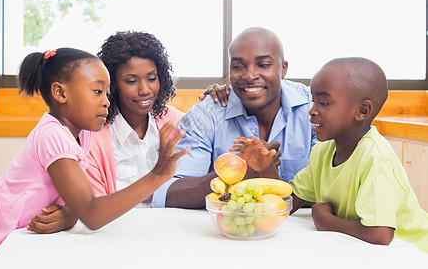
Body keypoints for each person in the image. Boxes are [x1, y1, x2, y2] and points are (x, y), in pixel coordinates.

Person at [0, 47, 189, 266]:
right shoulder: (53, 135)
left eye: (107, 93)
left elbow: (81, 205)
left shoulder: (84, 132)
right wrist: (157, 175)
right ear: (60, 93)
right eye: (97, 91)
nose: (107, 101)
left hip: (20, 247)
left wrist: (71, 214)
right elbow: (92, 214)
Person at [26, 31, 230, 233]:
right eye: (131, 81)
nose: (144, 90)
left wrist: (219, 100)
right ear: (111, 85)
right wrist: (72, 214)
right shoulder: (92, 136)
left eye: (152, 78)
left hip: (174, 229)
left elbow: (211, 161)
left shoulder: (175, 121)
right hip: (116, 234)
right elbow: (92, 208)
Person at [152, 27, 317, 209]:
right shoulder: (206, 114)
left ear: (283, 69)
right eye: (238, 67)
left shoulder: (313, 108)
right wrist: (239, 173)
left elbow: (334, 188)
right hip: (223, 230)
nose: (249, 76)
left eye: (263, 65)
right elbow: (168, 194)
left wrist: (265, 173)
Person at [289, 57, 428, 253]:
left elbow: (380, 235)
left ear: (362, 111)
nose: (312, 111)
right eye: (313, 101)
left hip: (411, 251)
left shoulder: (375, 158)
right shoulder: (323, 151)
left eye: (324, 103)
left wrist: (325, 220)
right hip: (363, 251)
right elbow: (292, 198)